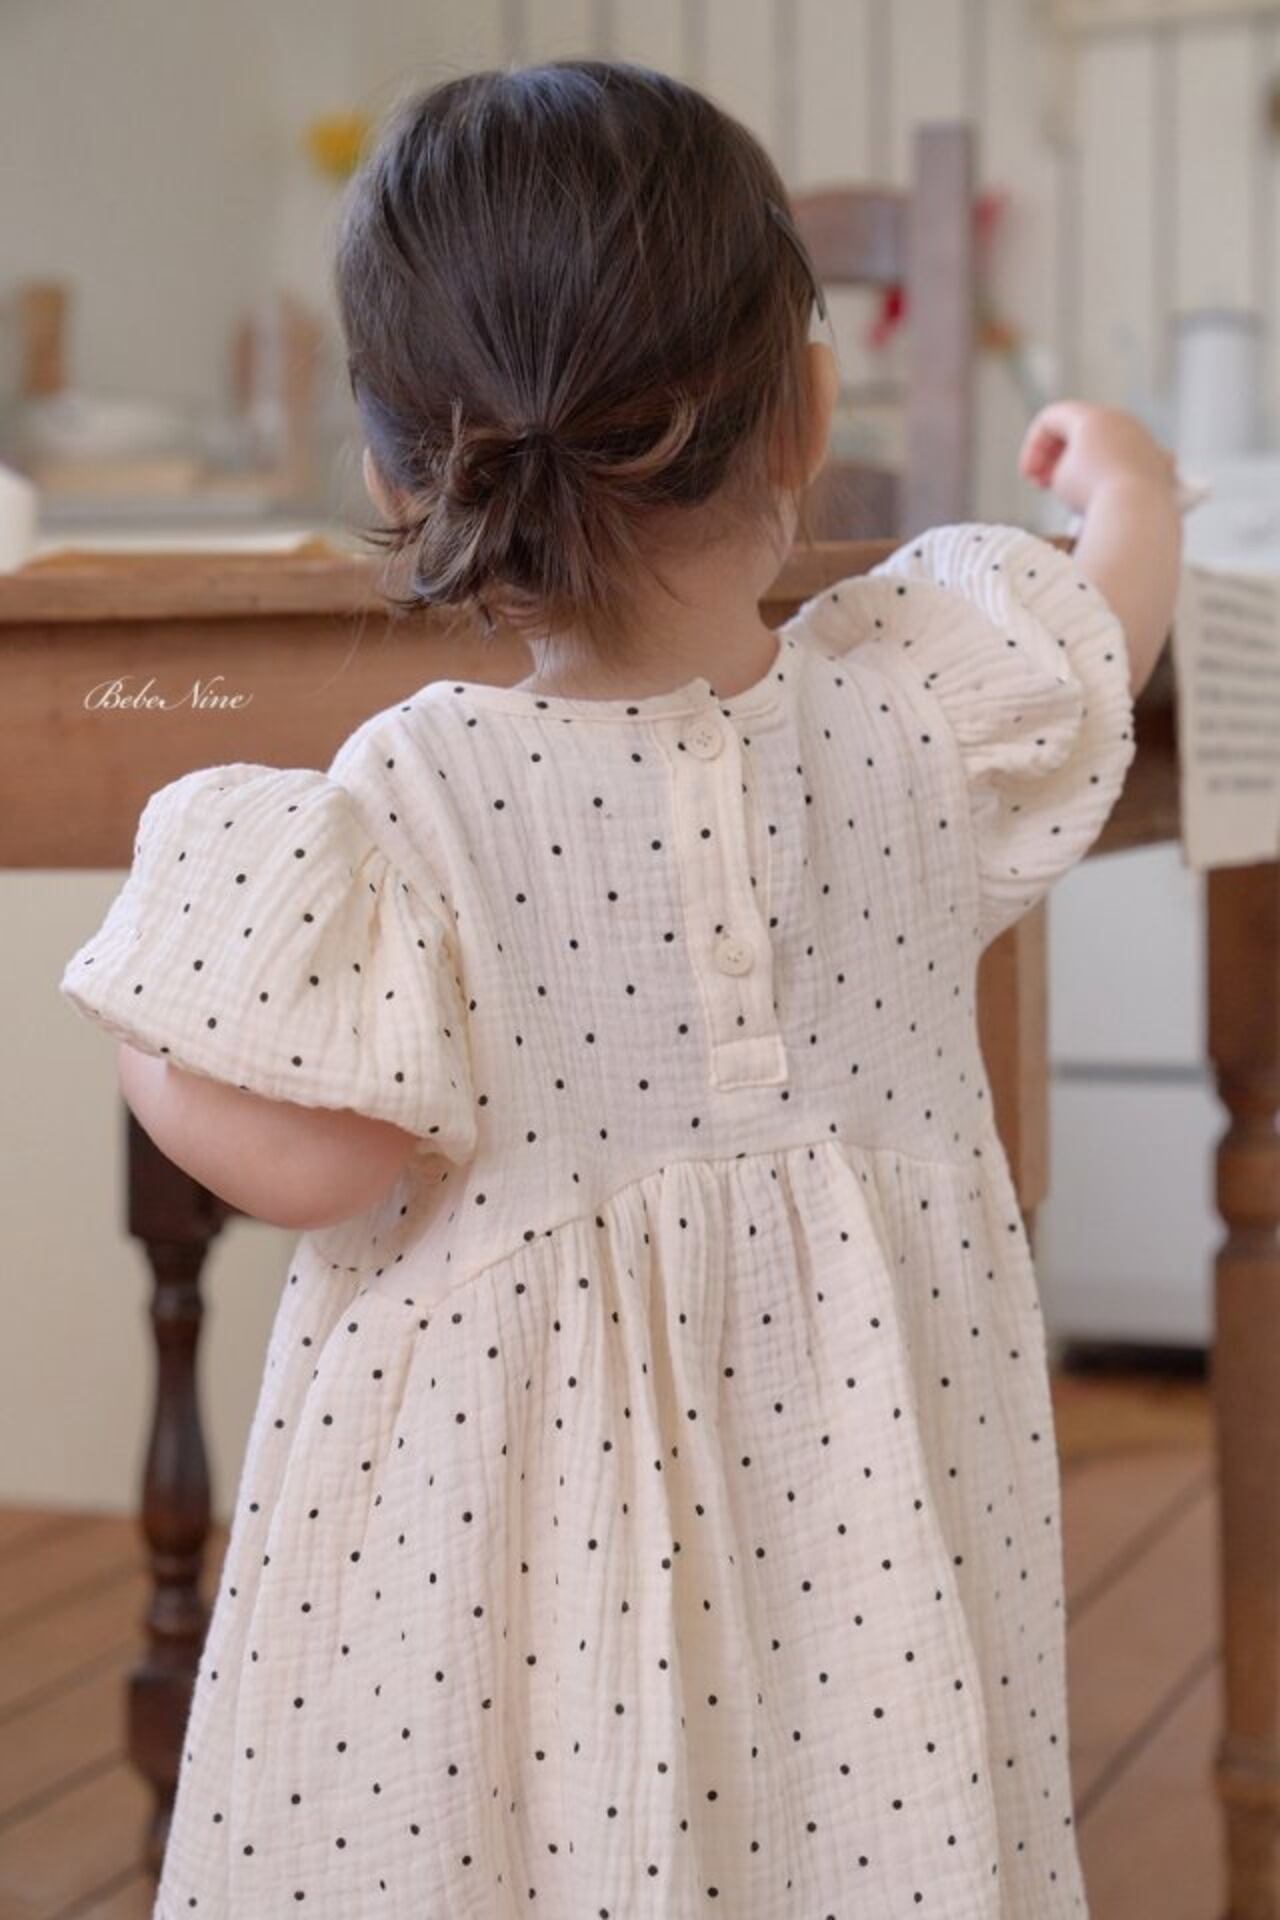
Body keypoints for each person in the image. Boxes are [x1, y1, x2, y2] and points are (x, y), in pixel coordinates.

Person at [59, 59, 1181, 1920]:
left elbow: (314, 1159)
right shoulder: (920, 717)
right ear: (804, 411)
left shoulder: (417, 796)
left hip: (506, 1604)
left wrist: (158, 1002)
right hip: (866, 1569)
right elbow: (1099, 629)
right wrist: (1129, 481)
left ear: (395, 466)